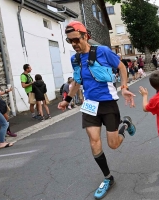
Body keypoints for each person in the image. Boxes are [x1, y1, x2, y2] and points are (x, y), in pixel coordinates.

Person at [58, 21, 136, 199]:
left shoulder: (103, 52)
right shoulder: (75, 59)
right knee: (94, 142)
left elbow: (121, 67)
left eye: (76, 40)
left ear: (86, 36)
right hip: (90, 105)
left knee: (113, 144)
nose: (74, 44)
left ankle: (125, 123)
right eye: (70, 41)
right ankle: (108, 178)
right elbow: (78, 81)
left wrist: (124, 87)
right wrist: (67, 99)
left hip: (108, 103)